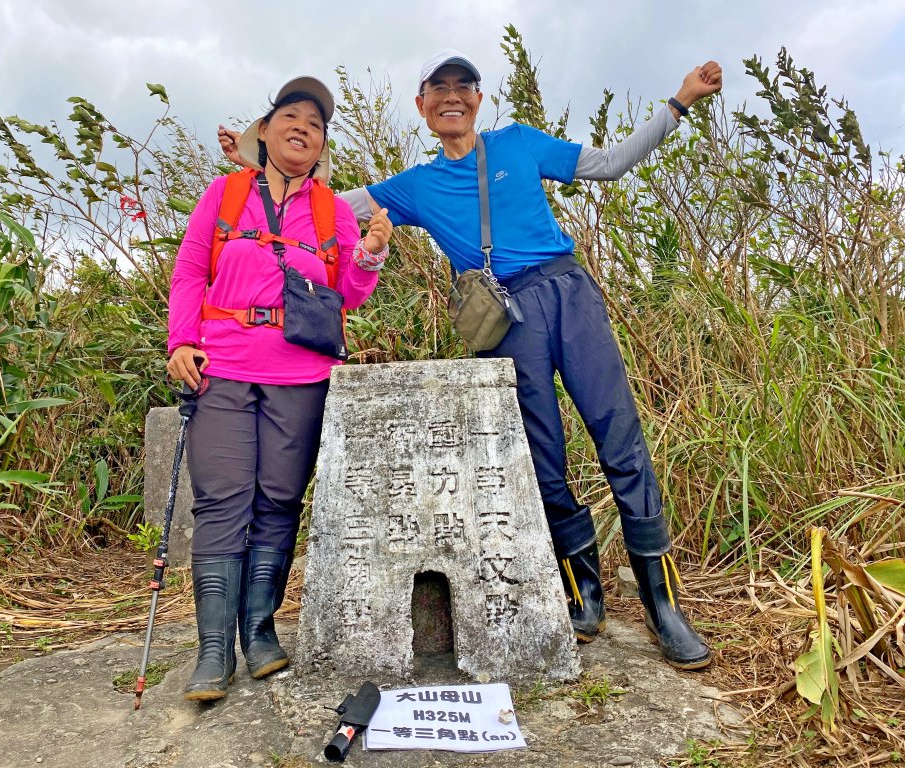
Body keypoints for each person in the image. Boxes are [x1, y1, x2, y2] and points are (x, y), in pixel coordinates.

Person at [222, 51, 721, 670]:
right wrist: (259, 161)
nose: (452, 98)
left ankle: (661, 603)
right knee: (542, 455)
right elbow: (324, 204)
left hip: (568, 294)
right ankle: (582, 590)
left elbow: (611, 164)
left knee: (619, 437)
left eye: (465, 87)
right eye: (439, 89)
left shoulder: (519, 143)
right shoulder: (415, 186)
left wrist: (680, 102)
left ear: (479, 101)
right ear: (422, 105)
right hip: (506, 318)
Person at [169, 76, 392, 701]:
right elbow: (190, 272)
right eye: (290, 116)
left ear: (321, 146)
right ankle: (213, 650)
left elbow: (346, 294)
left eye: (316, 124)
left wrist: (369, 253)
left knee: (278, 499)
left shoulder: (332, 210)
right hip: (222, 366)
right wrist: (180, 341)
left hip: (300, 374)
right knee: (221, 499)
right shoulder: (223, 193)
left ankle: (259, 631)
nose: (303, 127)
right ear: (263, 132)